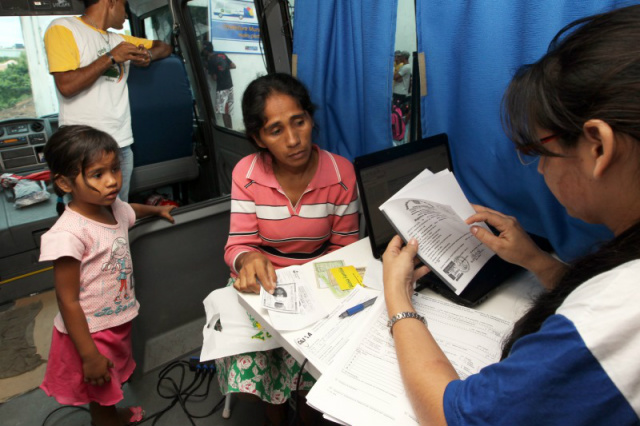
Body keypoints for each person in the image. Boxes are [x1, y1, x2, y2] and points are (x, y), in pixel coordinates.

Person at [382, 6, 640, 426]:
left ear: (598, 146)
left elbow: (452, 416)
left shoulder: (618, 313)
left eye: (540, 151)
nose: (538, 169)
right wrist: (537, 261)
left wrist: (397, 298)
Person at [215, 73, 360, 425]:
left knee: (311, 377)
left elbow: (345, 249)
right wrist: (248, 258)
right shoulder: (246, 174)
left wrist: (316, 296)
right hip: (263, 284)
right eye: (276, 130)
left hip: (321, 280)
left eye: (300, 122)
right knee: (265, 369)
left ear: (311, 119)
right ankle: (275, 414)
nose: (294, 140)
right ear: (258, 138)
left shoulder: (341, 173)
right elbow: (238, 244)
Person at [38, 125, 176, 426]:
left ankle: (112, 413)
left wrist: (157, 211)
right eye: (98, 174)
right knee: (100, 390)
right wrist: (88, 355)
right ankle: (107, 420)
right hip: (88, 333)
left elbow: (131, 209)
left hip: (114, 323)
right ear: (64, 182)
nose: (113, 180)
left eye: (115, 169)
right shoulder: (68, 234)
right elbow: (68, 300)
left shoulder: (112, 209)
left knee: (110, 382)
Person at [43, 0, 172, 202]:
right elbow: (66, 86)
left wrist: (147, 54)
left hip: (121, 144)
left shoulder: (118, 39)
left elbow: (163, 47)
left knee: (118, 212)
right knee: (92, 219)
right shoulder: (63, 28)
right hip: (84, 148)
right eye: (125, 6)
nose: (127, 15)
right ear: (111, 2)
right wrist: (111, 57)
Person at [203, 41, 236, 129]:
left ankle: (228, 131)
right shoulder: (222, 55)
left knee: (224, 111)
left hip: (222, 88)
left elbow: (214, 78)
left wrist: (216, 70)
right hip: (230, 85)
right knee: (227, 111)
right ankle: (230, 129)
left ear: (206, 51)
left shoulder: (211, 61)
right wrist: (224, 68)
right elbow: (233, 66)